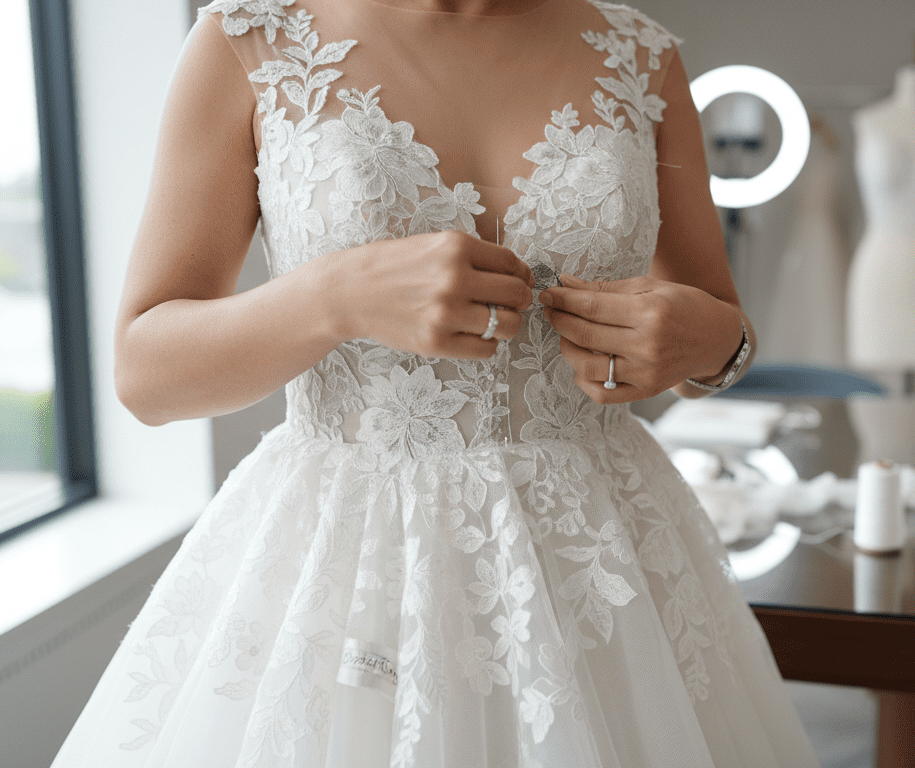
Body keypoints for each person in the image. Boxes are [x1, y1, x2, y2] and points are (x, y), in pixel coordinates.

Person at [52, 1, 819, 766]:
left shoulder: (639, 54)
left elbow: (722, 326)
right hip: (349, 561)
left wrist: (708, 340)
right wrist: (336, 295)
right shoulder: (249, 40)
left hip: (600, 564)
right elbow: (145, 372)